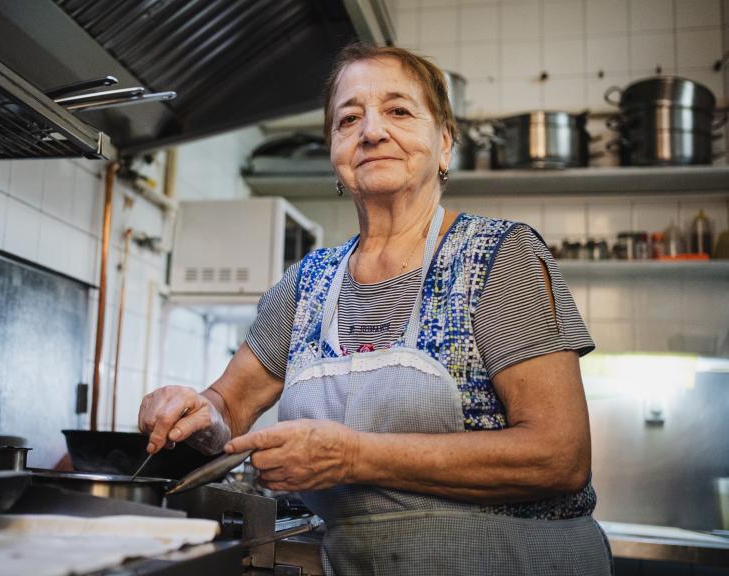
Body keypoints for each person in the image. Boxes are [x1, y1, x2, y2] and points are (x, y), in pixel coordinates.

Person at [138, 43, 611, 575]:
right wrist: (194, 411)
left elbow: (560, 456)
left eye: (399, 111)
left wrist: (355, 456)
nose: (372, 131)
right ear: (335, 151)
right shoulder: (306, 283)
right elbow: (228, 405)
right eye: (349, 118)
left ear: (444, 145)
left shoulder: (499, 256)